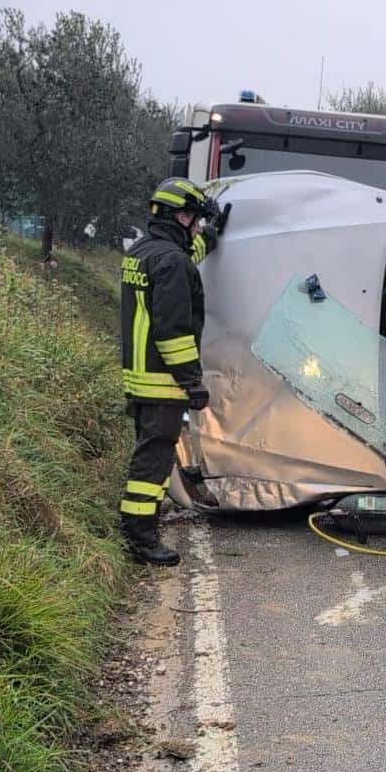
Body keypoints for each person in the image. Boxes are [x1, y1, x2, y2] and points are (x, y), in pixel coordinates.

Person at [118, 177, 227, 566]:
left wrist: (209, 239)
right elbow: (174, 330)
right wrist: (191, 381)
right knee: (154, 459)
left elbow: (184, 255)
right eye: (195, 221)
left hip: (139, 375)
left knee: (152, 454)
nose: (197, 227)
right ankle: (140, 536)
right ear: (180, 216)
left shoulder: (145, 252)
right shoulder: (172, 263)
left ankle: (143, 523)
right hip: (163, 379)